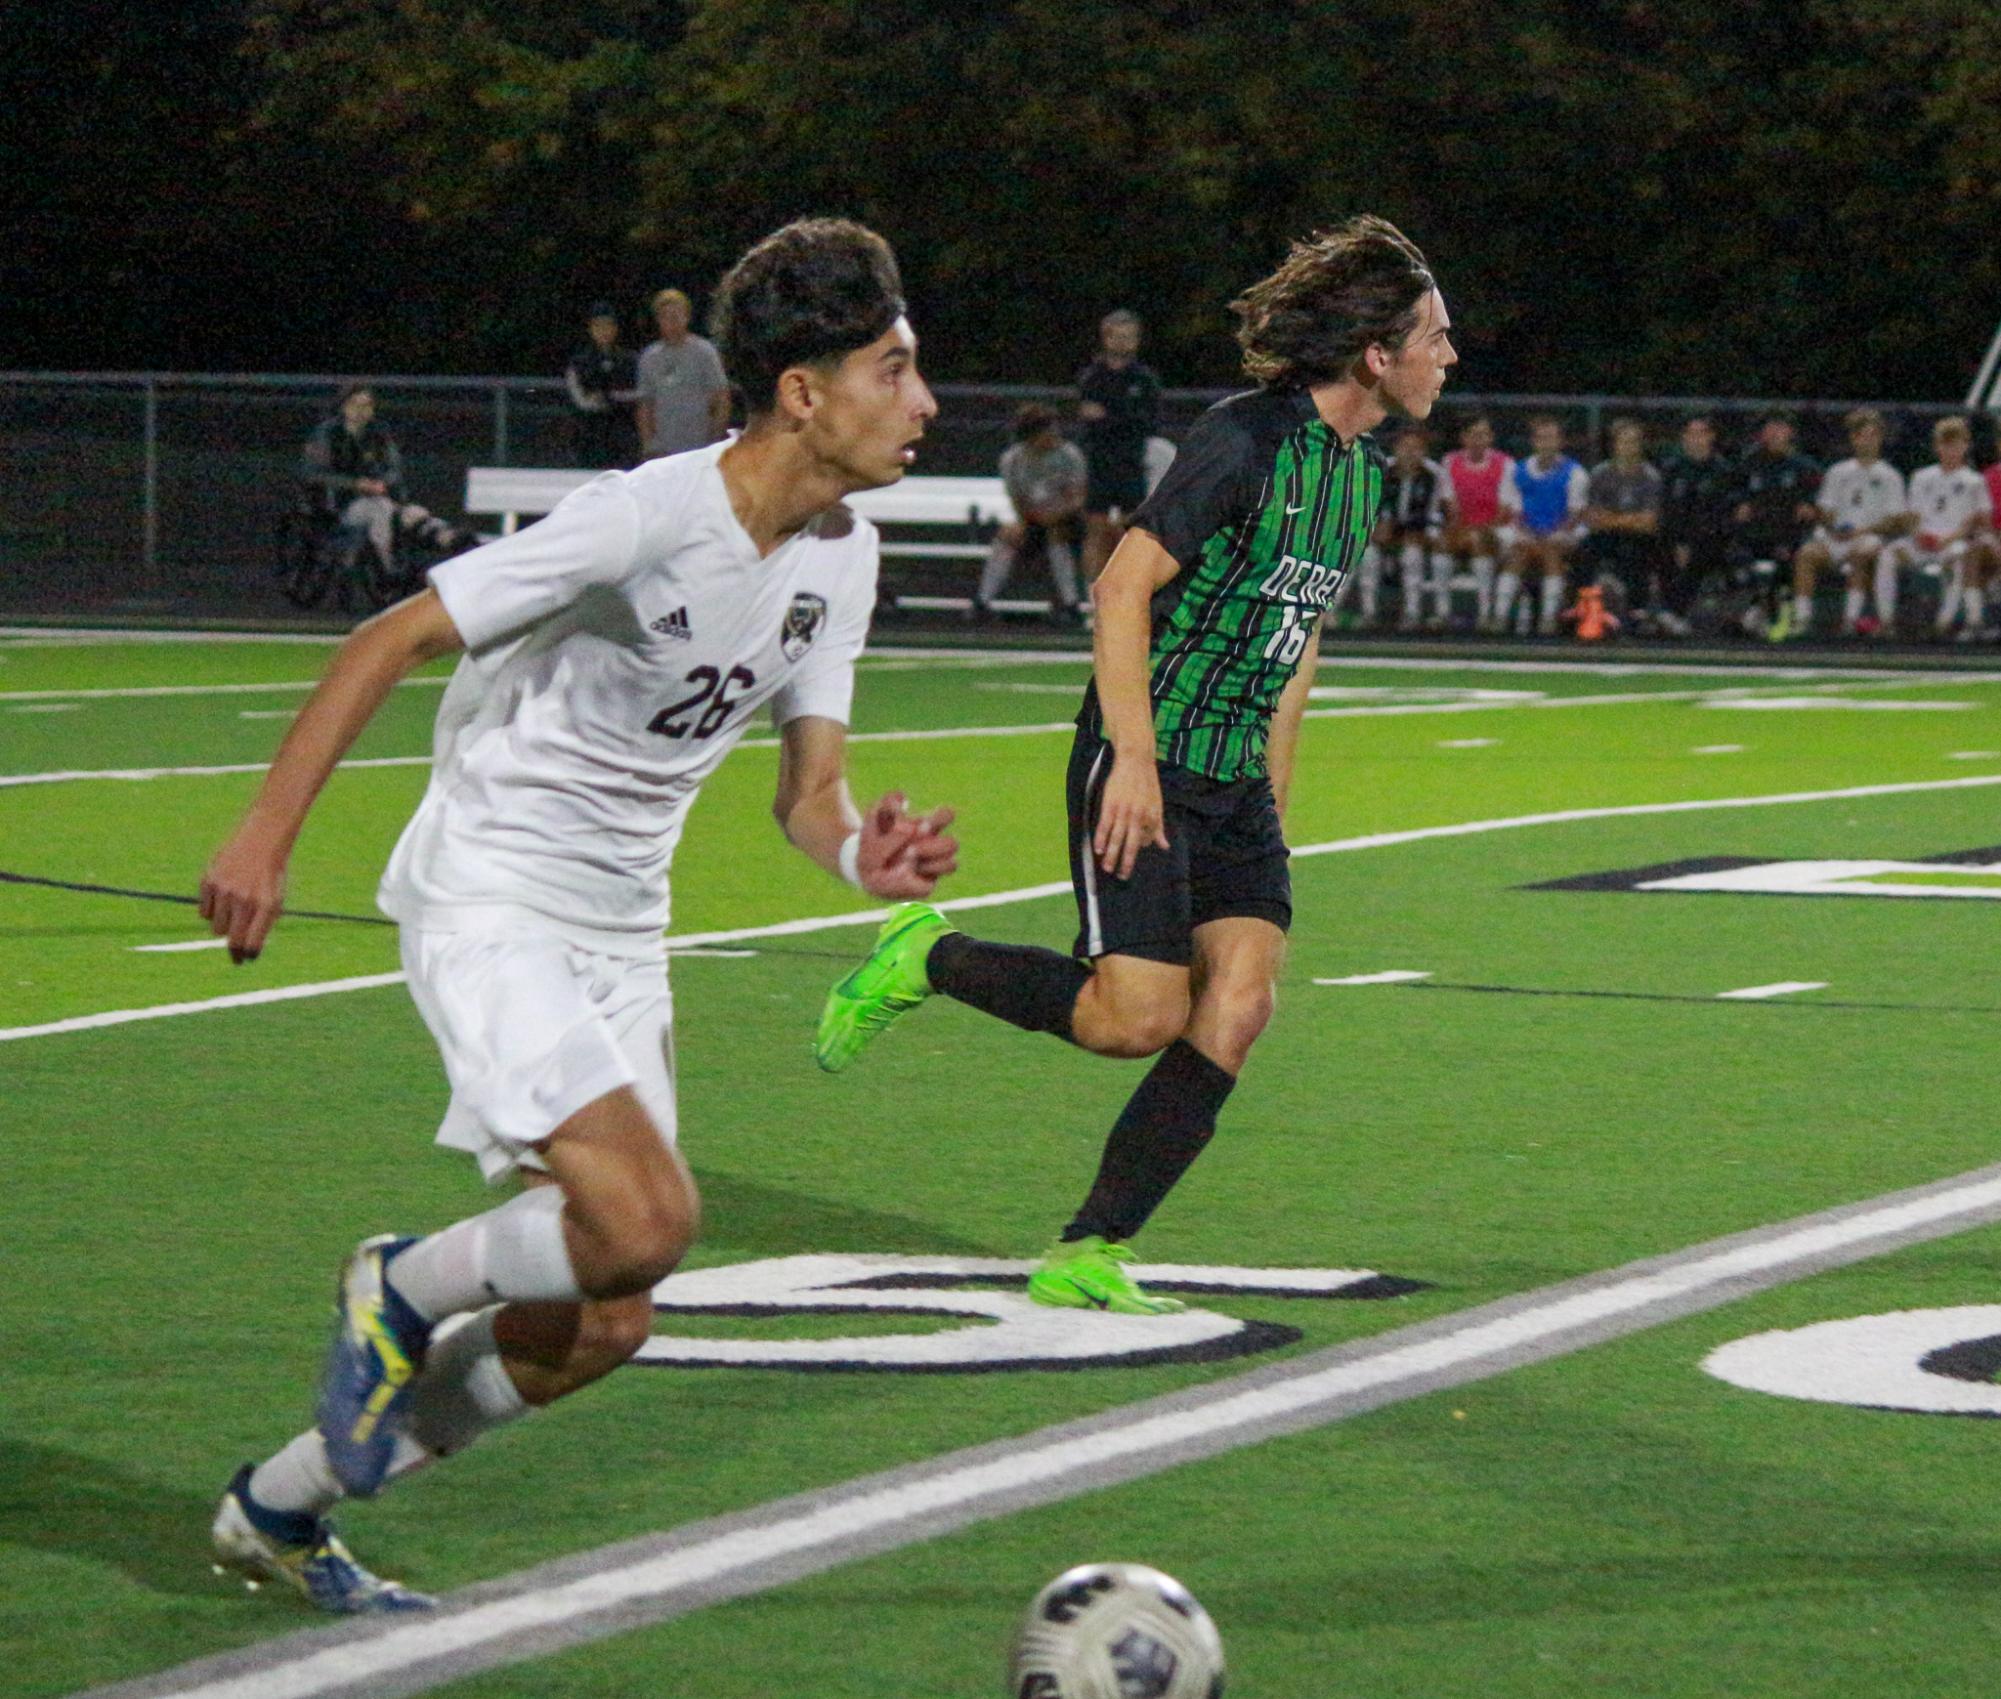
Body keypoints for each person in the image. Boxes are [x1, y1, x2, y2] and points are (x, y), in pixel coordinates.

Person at [199, 219, 957, 1613]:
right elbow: (393, 636)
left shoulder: (839, 553)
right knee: (650, 1214)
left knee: (607, 1313)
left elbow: (812, 792)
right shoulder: (647, 516)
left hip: (619, 924)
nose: (922, 401)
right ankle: (402, 1279)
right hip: (494, 887)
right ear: (804, 391)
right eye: (895, 369)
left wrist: (867, 859)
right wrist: (264, 831)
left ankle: (282, 1505)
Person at [815, 216, 1455, 1314]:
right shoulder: (1243, 440)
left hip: (1232, 783)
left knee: (1241, 1004)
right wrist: (1135, 763)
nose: (1451, 357)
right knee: (1135, 1019)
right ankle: (928, 956)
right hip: (1141, 758)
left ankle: (1089, 1245)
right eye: (1436, 337)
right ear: (1376, 355)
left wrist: (1274, 799)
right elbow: (1119, 588)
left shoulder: (1359, 474)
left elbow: (1294, 640)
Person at [298, 385, 472, 584]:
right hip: (340, 505)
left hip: (382, 498)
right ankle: (388, 567)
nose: (361, 411)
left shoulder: (379, 434)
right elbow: (313, 474)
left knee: (414, 514)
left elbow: (394, 469)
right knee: (381, 510)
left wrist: (383, 482)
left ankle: (448, 537)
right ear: (344, 407)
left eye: (366, 405)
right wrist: (356, 484)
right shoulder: (327, 434)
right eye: (355, 405)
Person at [1791, 409, 1910, 639]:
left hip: (1869, 538)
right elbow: (1826, 510)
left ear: (1880, 439)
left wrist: (1862, 531)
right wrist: (1831, 526)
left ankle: (1850, 620)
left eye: (1873, 435)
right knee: (1806, 554)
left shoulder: (1890, 475)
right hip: (1835, 538)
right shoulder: (1837, 472)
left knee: (1860, 552)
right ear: (1853, 438)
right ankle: (1802, 619)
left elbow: (1895, 520)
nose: (1867, 440)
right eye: (1862, 435)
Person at [975, 403, 1088, 623]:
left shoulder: (1069, 456)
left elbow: (1078, 499)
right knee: (1008, 536)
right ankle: (982, 601)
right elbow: (1019, 502)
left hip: (1068, 521)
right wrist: (1035, 520)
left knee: (1058, 535)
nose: (1054, 436)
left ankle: (1071, 604)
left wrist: (1055, 516)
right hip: (1035, 521)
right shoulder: (1013, 460)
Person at [1076, 309, 1163, 583]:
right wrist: (1121, 417)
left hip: (1131, 463)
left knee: (1132, 532)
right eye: (1118, 336)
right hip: (1100, 462)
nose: (1124, 342)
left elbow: (1147, 423)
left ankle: (1128, 592)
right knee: (1096, 529)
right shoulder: (1092, 377)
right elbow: (1088, 419)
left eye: (1130, 337)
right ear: (1106, 338)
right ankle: (1091, 598)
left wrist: (1110, 416)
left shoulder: (1144, 379)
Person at [1898, 416, 1996, 641]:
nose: (1951, 450)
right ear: (1937, 446)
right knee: (1888, 554)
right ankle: (1884, 623)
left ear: (1966, 445)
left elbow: (1981, 519)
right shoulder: (1922, 477)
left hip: (1954, 543)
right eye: (1946, 444)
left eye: (1956, 444)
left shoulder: (1974, 481)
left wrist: (1950, 538)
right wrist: (1917, 535)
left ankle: (1949, 623)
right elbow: (1911, 515)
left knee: (1962, 557)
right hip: (1922, 542)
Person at [1731, 415, 1821, 639]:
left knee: (1787, 561)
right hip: (1754, 537)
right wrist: (1740, 506)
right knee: (1740, 560)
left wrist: (1808, 508)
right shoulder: (1748, 464)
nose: (1774, 435)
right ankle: (1752, 611)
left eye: (1779, 429)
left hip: (1790, 537)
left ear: (1789, 433)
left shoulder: (1805, 467)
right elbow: (1736, 500)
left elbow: (1814, 507)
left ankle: (1784, 618)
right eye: (1769, 429)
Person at [1497, 415, 1587, 635]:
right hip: (1525, 531)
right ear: (1534, 442)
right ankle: (1499, 616)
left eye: (1551, 438)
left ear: (1560, 442)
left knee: (1551, 551)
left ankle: (1548, 619)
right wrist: (1528, 533)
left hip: (1561, 532)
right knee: (1518, 551)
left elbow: (1575, 515)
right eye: (1541, 438)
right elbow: (1511, 512)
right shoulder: (1516, 471)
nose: (1546, 443)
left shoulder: (1576, 473)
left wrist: (1550, 535)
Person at [1576, 418, 1666, 631]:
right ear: (1615, 444)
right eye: (1624, 441)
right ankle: (1587, 611)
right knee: (1584, 553)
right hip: (1605, 536)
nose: (1629, 446)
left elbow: (1649, 522)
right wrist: (1630, 519)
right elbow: (1594, 519)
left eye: (1634, 441)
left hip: (1637, 538)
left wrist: (1614, 518)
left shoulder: (1650, 477)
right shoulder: (1600, 474)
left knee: (1640, 555)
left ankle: (1637, 615)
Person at [1359, 423, 1446, 629]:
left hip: (1418, 531)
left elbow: (1436, 512)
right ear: (1395, 449)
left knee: (1411, 556)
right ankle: (1368, 613)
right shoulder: (1381, 469)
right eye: (1405, 447)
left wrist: (1424, 533)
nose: (1410, 453)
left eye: (1416, 448)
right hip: (1383, 531)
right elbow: (1368, 507)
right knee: (1367, 554)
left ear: (1424, 451)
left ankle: (1412, 613)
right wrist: (1375, 528)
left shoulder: (1433, 474)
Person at [1659, 416, 1737, 635]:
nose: (1696, 439)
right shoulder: (1671, 470)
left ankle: (1675, 613)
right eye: (1691, 434)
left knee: (1704, 551)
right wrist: (1680, 541)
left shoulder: (1724, 471)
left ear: (1711, 436)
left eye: (1701, 433)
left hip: (1713, 538)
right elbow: (1668, 511)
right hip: (1675, 537)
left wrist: (1691, 541)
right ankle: (1652, 613)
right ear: (1683, 438)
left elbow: (1723, 513)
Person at [635, 287, 731, 458]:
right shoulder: (649, 357)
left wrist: (715, 440)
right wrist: (648, 444)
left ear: (687, 316)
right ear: (658, 320)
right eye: (665, 316)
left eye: (676, 315)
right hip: (663, 450)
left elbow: (721, 397)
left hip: (699, 447)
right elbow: (645, 405)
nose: (671, 321)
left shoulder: (704, 352)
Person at [1437, 415, 1513, 630]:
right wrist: (1465, 530)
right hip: (1463, 527)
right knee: (1443, 542)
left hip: (1498, 529)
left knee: (1480, 542)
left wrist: (1480, 531)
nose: (1478, 440)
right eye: (1473, 435)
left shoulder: (1505, 463)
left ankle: (1485, 613)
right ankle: (1442, 612)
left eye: (1483, 435)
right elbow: (1451, 507)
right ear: (1464, 438)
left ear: (1490, 438)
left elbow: (1505, 510)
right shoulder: (1450, 462)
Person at [563, 302, 640, 469]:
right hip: (589, 436)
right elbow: (579, 398)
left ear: (615, 328)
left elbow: (637, 395)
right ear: (591, 329)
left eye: (608, 325)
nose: (603, 331)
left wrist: (610, 398)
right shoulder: (580, 362)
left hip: (622, 436)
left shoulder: (630, 361)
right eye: (598, 325)